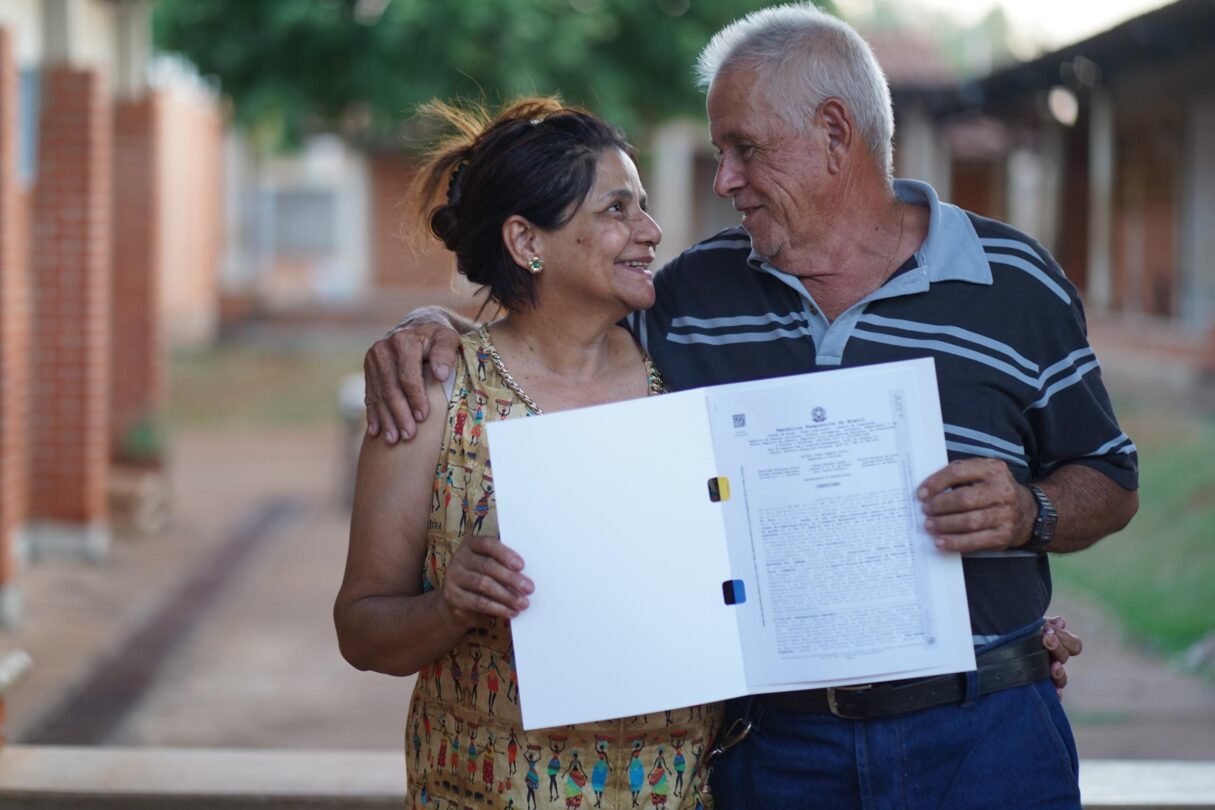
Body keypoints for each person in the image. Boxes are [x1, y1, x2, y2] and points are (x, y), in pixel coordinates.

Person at [358, 5, 1133, 808]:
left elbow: (1110, 477)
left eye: (744, 149)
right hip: (773, 749)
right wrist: (433, 327)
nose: (723, 177)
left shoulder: (1014, 279)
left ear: (835, 132)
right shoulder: (687, 295)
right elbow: (549, 330)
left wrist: (1029, 513)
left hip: (986, 737)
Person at [333, 97, 723, 810]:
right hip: (483, 791)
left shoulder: (686, 379)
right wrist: (449, 605)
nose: (651, 230)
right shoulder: (435, 397)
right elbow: (361, 630)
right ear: (526, 241)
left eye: (640, 205)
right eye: (616, 209)